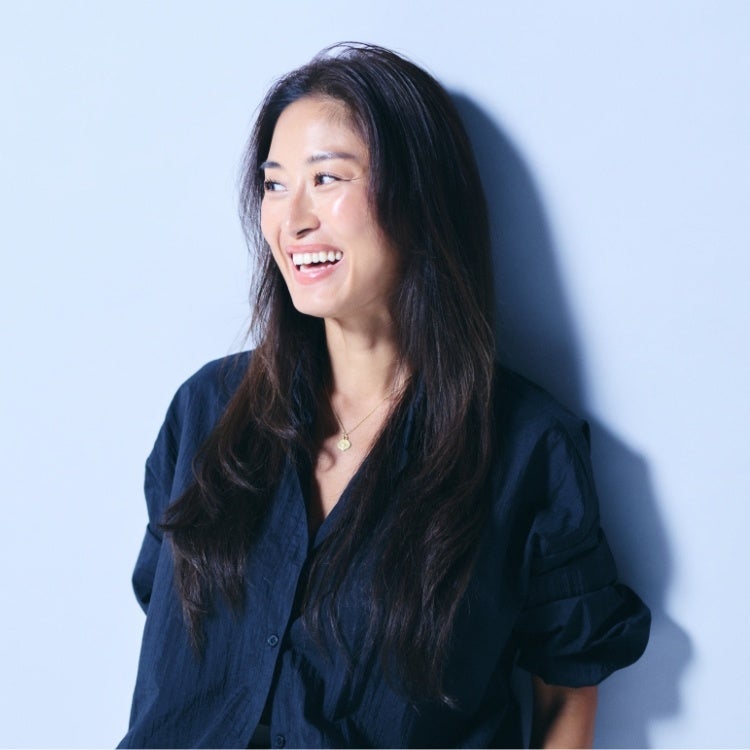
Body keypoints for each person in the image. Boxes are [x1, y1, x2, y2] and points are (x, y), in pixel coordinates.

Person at [119, 43, 650, 749]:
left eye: (326, 178)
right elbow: (169, 638)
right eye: (274, 185)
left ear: (417, 197)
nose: (292, 219)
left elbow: (567, 686)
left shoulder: (525, 448)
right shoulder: (206, 411)